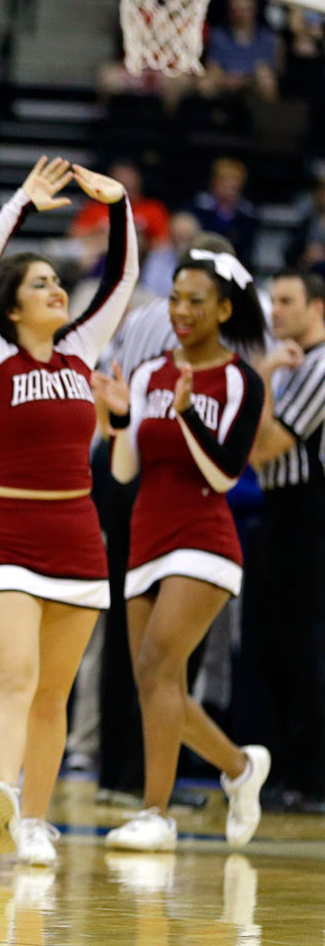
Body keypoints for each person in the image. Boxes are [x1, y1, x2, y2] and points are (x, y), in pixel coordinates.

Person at [0, 156, 138, 867]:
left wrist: (119, 209)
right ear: (13, 306)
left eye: (57, 281)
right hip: (5, 531)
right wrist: (22, 200)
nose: (57, 290)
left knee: (53, 694)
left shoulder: (81, 352)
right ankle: (0, 789)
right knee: (13, 674)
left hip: (78, 534)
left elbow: (122, 281)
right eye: (41, 284)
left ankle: (34, 821)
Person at [96, 247, 269, 851]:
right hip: (147, 535)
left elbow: (224, 476)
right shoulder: (146, 375)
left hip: (206, 538)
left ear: (224, 309)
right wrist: (118, 421)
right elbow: (124, 472)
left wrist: (192, 417)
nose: (181, 311)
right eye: (174, 299)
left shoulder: (241, 380)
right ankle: (240, 768)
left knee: (159, 669)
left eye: (196, 301)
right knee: (155, 681)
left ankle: (155, 814)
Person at [244, 269, 325, 809]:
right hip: (277, 513)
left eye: (287, 301)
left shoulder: (319, 366)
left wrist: (264, 375)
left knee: (306, 646)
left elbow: (264, 444)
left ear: (317, 307)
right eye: (273, 301)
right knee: (273, 644)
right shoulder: (291, 362)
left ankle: (312, 777)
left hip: (310, 515)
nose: (276, 311)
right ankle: (285, 773)